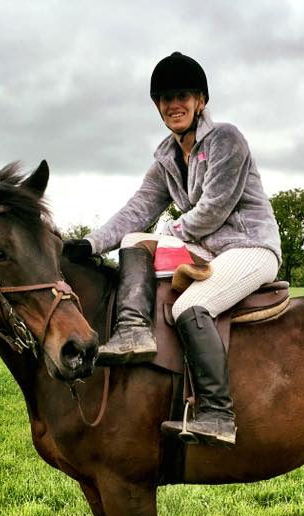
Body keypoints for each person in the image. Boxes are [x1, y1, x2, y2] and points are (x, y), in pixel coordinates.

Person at [82, 51, 281, 447]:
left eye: (183, 96)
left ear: (200, 101)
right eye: (165, 98)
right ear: (157, 105)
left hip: (250, 248)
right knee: (134, 240)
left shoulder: (226, 139)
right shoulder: (166, 159)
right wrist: (89, 243)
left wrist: (169, 229)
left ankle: (217, 415)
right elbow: (136, 210)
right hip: (207, 252)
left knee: (189, 306)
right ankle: (133, 332)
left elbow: (214, 208)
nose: (174, 104)